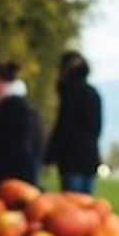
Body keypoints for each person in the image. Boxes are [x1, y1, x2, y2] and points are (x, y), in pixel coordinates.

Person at [0, 61, 43, 194]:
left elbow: (2, 135)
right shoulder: (20, 105)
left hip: (12, 168)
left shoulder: (12, 106)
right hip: (19, 165)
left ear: (2, 82)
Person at [44, 50, 103, 194]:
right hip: (90, 156)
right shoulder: (94, 93)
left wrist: (50, 156)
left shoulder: (69, 92)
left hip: (71, 158)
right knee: (86, 203)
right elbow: (97, 128)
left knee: (71, 201)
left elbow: (64, 126)